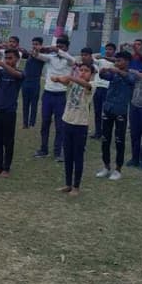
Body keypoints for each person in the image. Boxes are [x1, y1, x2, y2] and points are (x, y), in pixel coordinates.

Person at [51, 63, 95, 195]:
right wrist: (57, 79)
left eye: (86, 71)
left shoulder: (92, 85)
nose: (83, 72)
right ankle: (68, 184)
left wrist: (71, 77)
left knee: (78, 156)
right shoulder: (74, 83)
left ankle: (76, 186)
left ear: (92, 74)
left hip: (80, 125)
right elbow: (65, 81)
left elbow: (85, 85)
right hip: (67, 121)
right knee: (68, 155)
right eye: (81, 70)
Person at [95, 51, 136, 180]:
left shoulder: (132, 74)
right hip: (108, 108)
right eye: (116, 61)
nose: (117, 63)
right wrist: (102, 71)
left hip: (120, 111)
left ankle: (118, 169)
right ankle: (106, 167)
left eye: (119, 61)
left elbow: (130, 79)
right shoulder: (114, 74)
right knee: (105, 139)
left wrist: (116, 70)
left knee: (119, 141)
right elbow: (104, 77)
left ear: (127, 62)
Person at [33, 37, 75, 161]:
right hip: (48, 94)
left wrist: (55, 49)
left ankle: (58, 152)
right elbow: (36, 55)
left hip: (60, 95)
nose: (59, 48)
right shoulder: (51, 57)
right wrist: (37, 48)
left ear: (67, 47)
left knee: (60, 125)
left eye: (62, 46)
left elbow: (70, 59)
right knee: (45, 123)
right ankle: (43, 149)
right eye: (58, 46)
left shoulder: (70, 59)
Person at [0, 49, 25, 177]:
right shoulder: (1, 72)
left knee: (8, 141)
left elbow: (16, 74)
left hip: (9, 112)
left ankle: (6, 168)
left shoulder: (20, 73)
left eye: (10, 58)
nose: (7, 60)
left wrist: (2, 64)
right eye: (6, 58)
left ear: (17, 59)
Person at [91, 42, 116, 139]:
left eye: (110, 49)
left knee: (106, 112)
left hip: (108, 88)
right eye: (106, 49)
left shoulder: (115, 62)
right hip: (98, 88)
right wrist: (96, 56)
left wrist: (103, 57)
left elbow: (115, 60)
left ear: (114, 51)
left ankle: (106, 132)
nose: (108, 51)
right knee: (97, 111)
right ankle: (98, 132)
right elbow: (92, 59)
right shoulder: (100, 60)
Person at [20, 37, 45, 129]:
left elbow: (37, 55)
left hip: (35, 82)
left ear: (41, 45)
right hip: (26, 81)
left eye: (36, 44)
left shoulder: (42, 56)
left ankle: (32, 123)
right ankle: (25, 123)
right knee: (25, 103)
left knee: (34, 104)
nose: (34, 46)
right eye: (33, 44)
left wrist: (35, 51)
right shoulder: (30, 55)